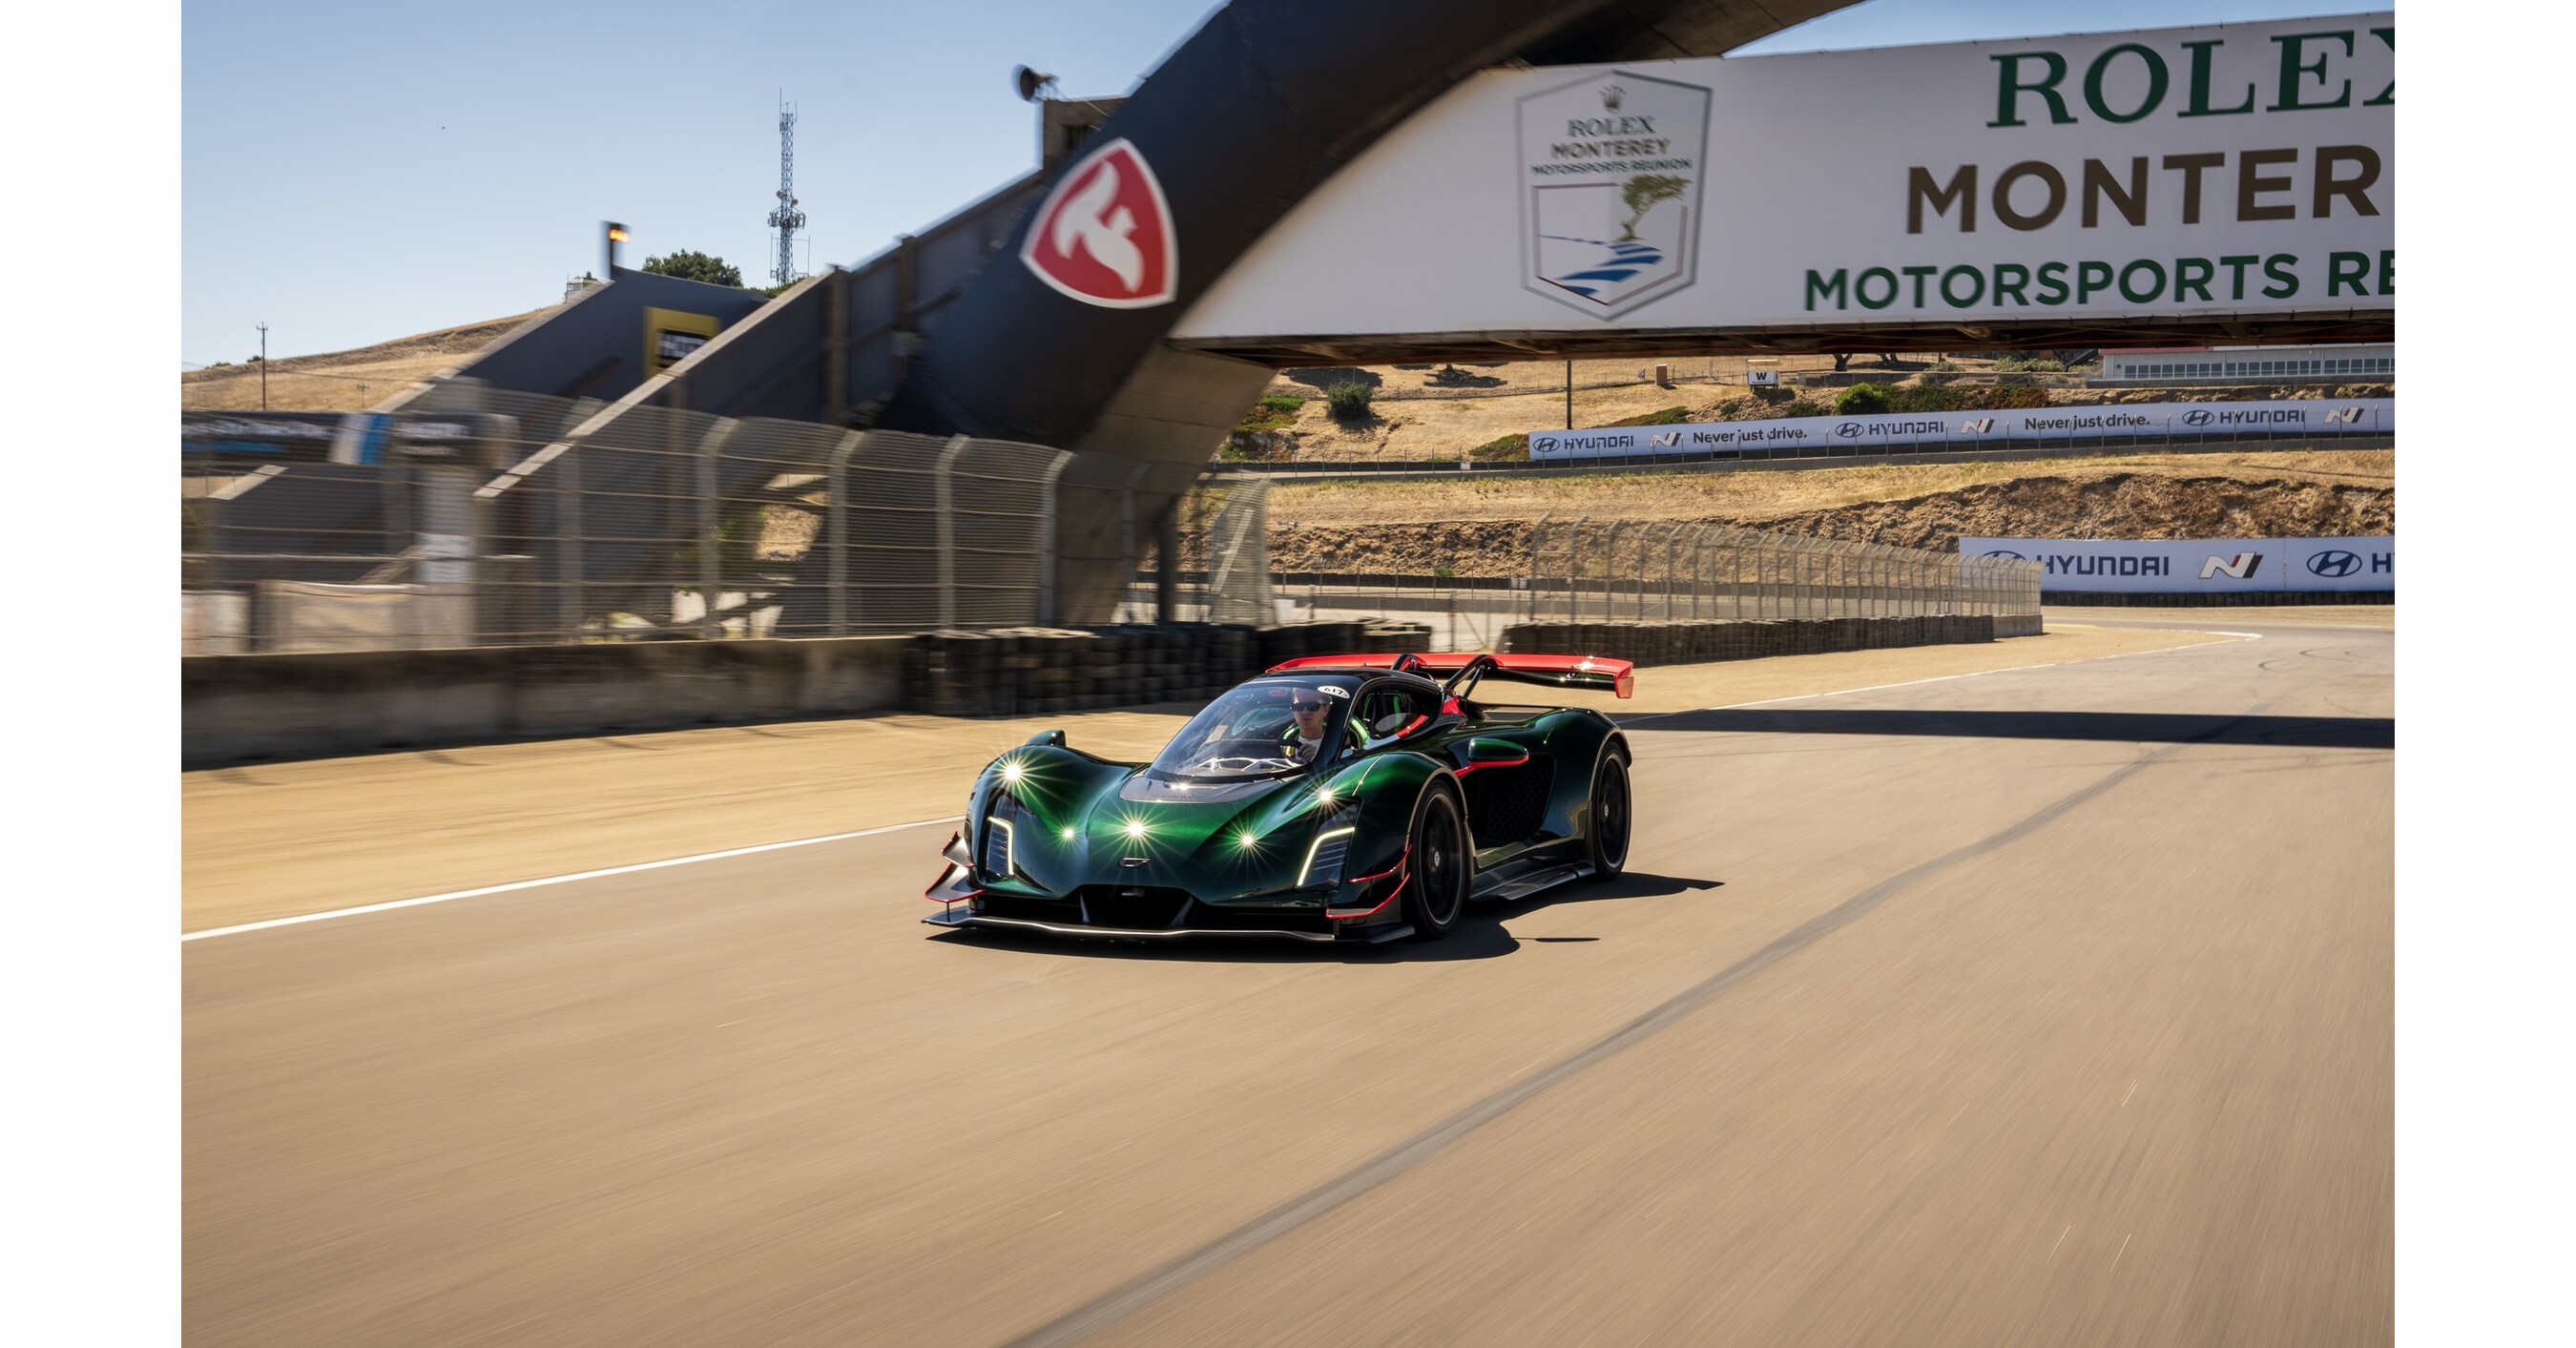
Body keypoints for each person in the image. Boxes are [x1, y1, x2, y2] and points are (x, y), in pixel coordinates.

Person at [1279, 688, 1353, 765]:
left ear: (1326, 710)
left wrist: (1320, 757)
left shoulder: (1339, 739)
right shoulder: (1285, 739)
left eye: (1312, 706)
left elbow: (1347, 771)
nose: (1305, 712)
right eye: (1298, 706)